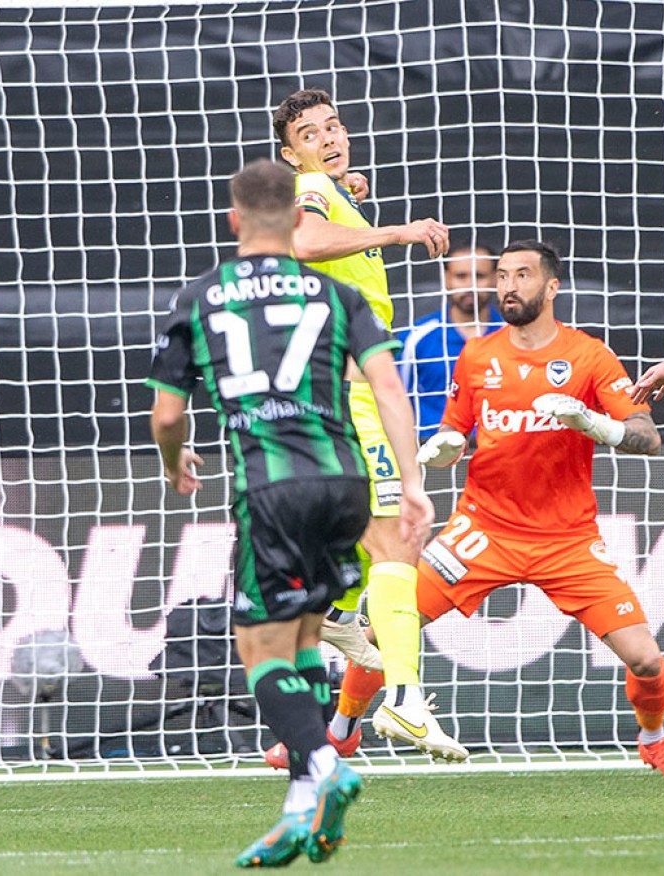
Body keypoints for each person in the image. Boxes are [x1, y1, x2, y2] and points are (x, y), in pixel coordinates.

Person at [147, 159, 434, 866]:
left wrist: (173, 459)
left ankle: (322, 763)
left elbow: (165, 415)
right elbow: (388, 389)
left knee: (257, 647)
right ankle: (302, 801)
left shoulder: (203, 295)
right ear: (293, 217)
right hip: (344, 482)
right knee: (305, 634)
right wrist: (411, 482)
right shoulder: (335, 294)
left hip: (270, 489)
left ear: (234, 220)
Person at [395, 240, 664, 777]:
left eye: (522, 275)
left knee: (646, 658)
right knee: (384, 627)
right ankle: (336, 735)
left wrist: (596, 425)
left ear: (551, 287)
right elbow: (454, 433)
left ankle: (655, 740)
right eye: (502, 276)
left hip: (567, 540)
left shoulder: (589, 355)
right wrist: (443, 448)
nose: (507, 286)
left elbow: (649, 436)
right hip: (482, 530)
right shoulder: (478, 356)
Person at [267, 87, 466, 763]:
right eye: (310, 132)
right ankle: (405, 699)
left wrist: (347, 195)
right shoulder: (312, 188)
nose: (328, 136)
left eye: (334, 125)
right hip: (350, 396)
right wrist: (397, 231)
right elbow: (306, 240)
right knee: (401, 538)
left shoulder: (328, 186)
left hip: (341, 390)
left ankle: (338, 615)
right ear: (289, 151)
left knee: (385, 536)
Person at [398, 244, 502, 440]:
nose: (470, 285)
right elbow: (394, 400)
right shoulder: (415, 339)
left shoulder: (514, 335)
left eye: (479, 276)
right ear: (447, 279)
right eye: (461, 276)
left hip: (500, 456)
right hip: (433, 459)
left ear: (495, 279)